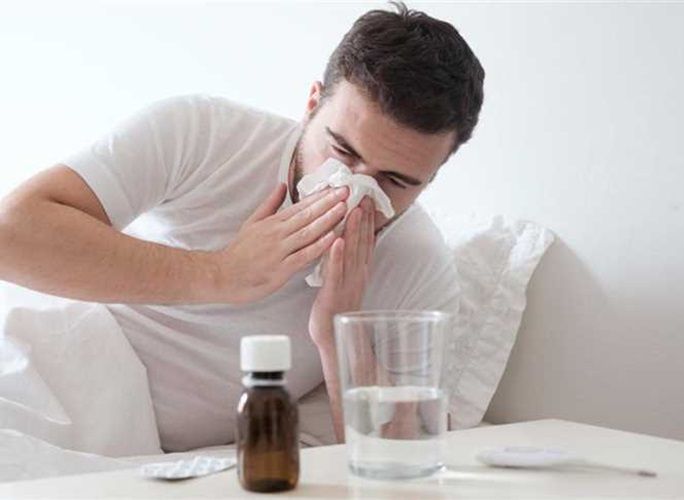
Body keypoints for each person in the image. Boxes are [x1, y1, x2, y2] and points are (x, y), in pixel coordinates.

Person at [0, 2, 484, 452]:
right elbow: (11, 234)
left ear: (430, 179)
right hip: (52, 376)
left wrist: (340, 332)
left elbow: (407, 462)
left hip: (147, 458)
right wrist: (221, 274)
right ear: (312, 105)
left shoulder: (417, 266)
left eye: (395, 181)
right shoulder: (204, 134)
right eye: (342, 151)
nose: (354, 190)